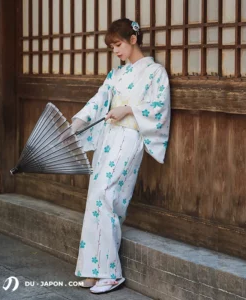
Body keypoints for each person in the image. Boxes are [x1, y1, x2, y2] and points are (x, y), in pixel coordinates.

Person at [70, 18, 171, 294]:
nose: (115, 51)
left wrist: (127, 109)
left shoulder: (154, 72)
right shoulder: (116, 75)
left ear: (133, 40)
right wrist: (79, 121)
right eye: (112, 46)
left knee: (107, 194)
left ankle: (110, 273)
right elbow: (99, 99)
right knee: (95, 197)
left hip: (130, 137)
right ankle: (94, 268)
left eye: (118, 44)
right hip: (108, 137)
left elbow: (158, 107)